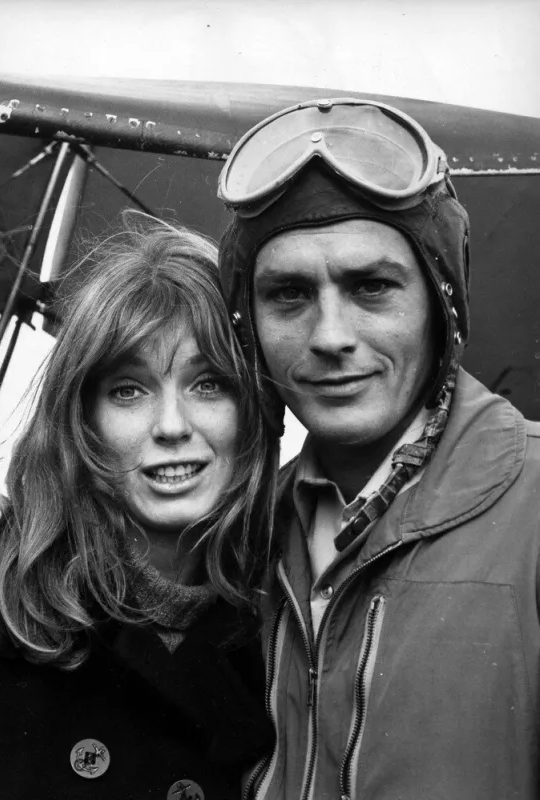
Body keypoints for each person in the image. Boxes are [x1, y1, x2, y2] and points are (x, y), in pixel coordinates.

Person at [215, 98, 540, 799]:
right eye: (288, 294)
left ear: (441, 305)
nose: (330, 336)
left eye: (371, 286)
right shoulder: (242, 533)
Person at [0, 215, 276, 800]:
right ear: (81, 420)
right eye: (128, 390)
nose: (172, 426)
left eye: (208, 383)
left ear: (254, 409)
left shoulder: (284, 625)